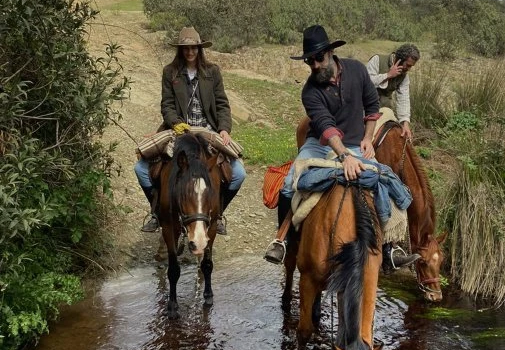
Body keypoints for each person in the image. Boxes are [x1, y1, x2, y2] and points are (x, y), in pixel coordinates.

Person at [264, 25, 418, 267]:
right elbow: (326, 127)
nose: (314, 65)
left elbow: (372, 107)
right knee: (289, 183)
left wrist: (367, 139)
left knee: (386, 180)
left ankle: (390, 246)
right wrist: (345, 156)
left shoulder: (357, 70)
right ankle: (283, 240)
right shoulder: (310, 91)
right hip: (320, 144)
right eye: (309, 61)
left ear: (330, 53)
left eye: (318, 58)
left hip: (357, 142)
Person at [134, 26, 246, 234]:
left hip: (208, 132)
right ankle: (158, 211)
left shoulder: (213, 72)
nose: (190, 52)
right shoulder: (170, 72)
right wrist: (175, 122)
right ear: (180, 50)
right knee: (141, 169)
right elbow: (166, 104)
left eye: (193, 48)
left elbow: (222, 104)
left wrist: (224, 129)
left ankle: (218, 214)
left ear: (199, 48)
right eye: (185, 48)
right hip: (178, 131)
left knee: (238, 173)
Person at [366, 44, 420, 141]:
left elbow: (403, 99)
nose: (408, 69)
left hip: (385, 109)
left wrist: (405, 122)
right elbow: (366, 83)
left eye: (411, 66)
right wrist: (388, 75)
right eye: (407, 65)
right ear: (399, 59)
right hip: (365, 107)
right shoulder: (377, 60)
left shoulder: (404, 76)